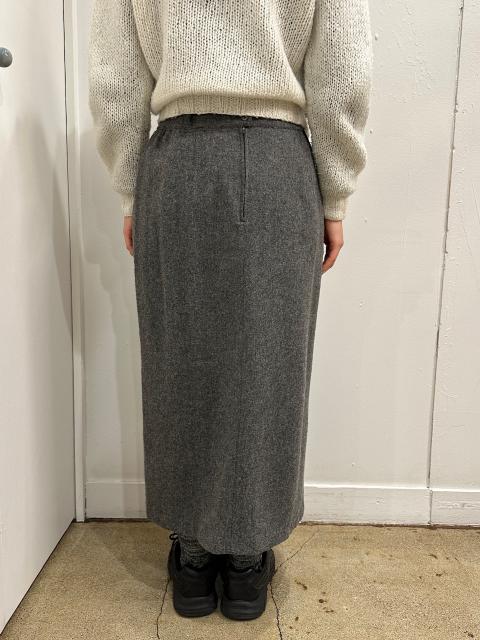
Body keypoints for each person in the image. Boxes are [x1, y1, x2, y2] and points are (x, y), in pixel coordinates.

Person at [88, 0, 373, 622]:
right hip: (278, 165)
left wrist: (131, 187)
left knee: (178, 360)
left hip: (177, 166)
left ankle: (194, 557)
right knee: (268, 365)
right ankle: (246, 561)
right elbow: (342, 72)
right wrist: (336, 194)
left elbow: (117, 79)